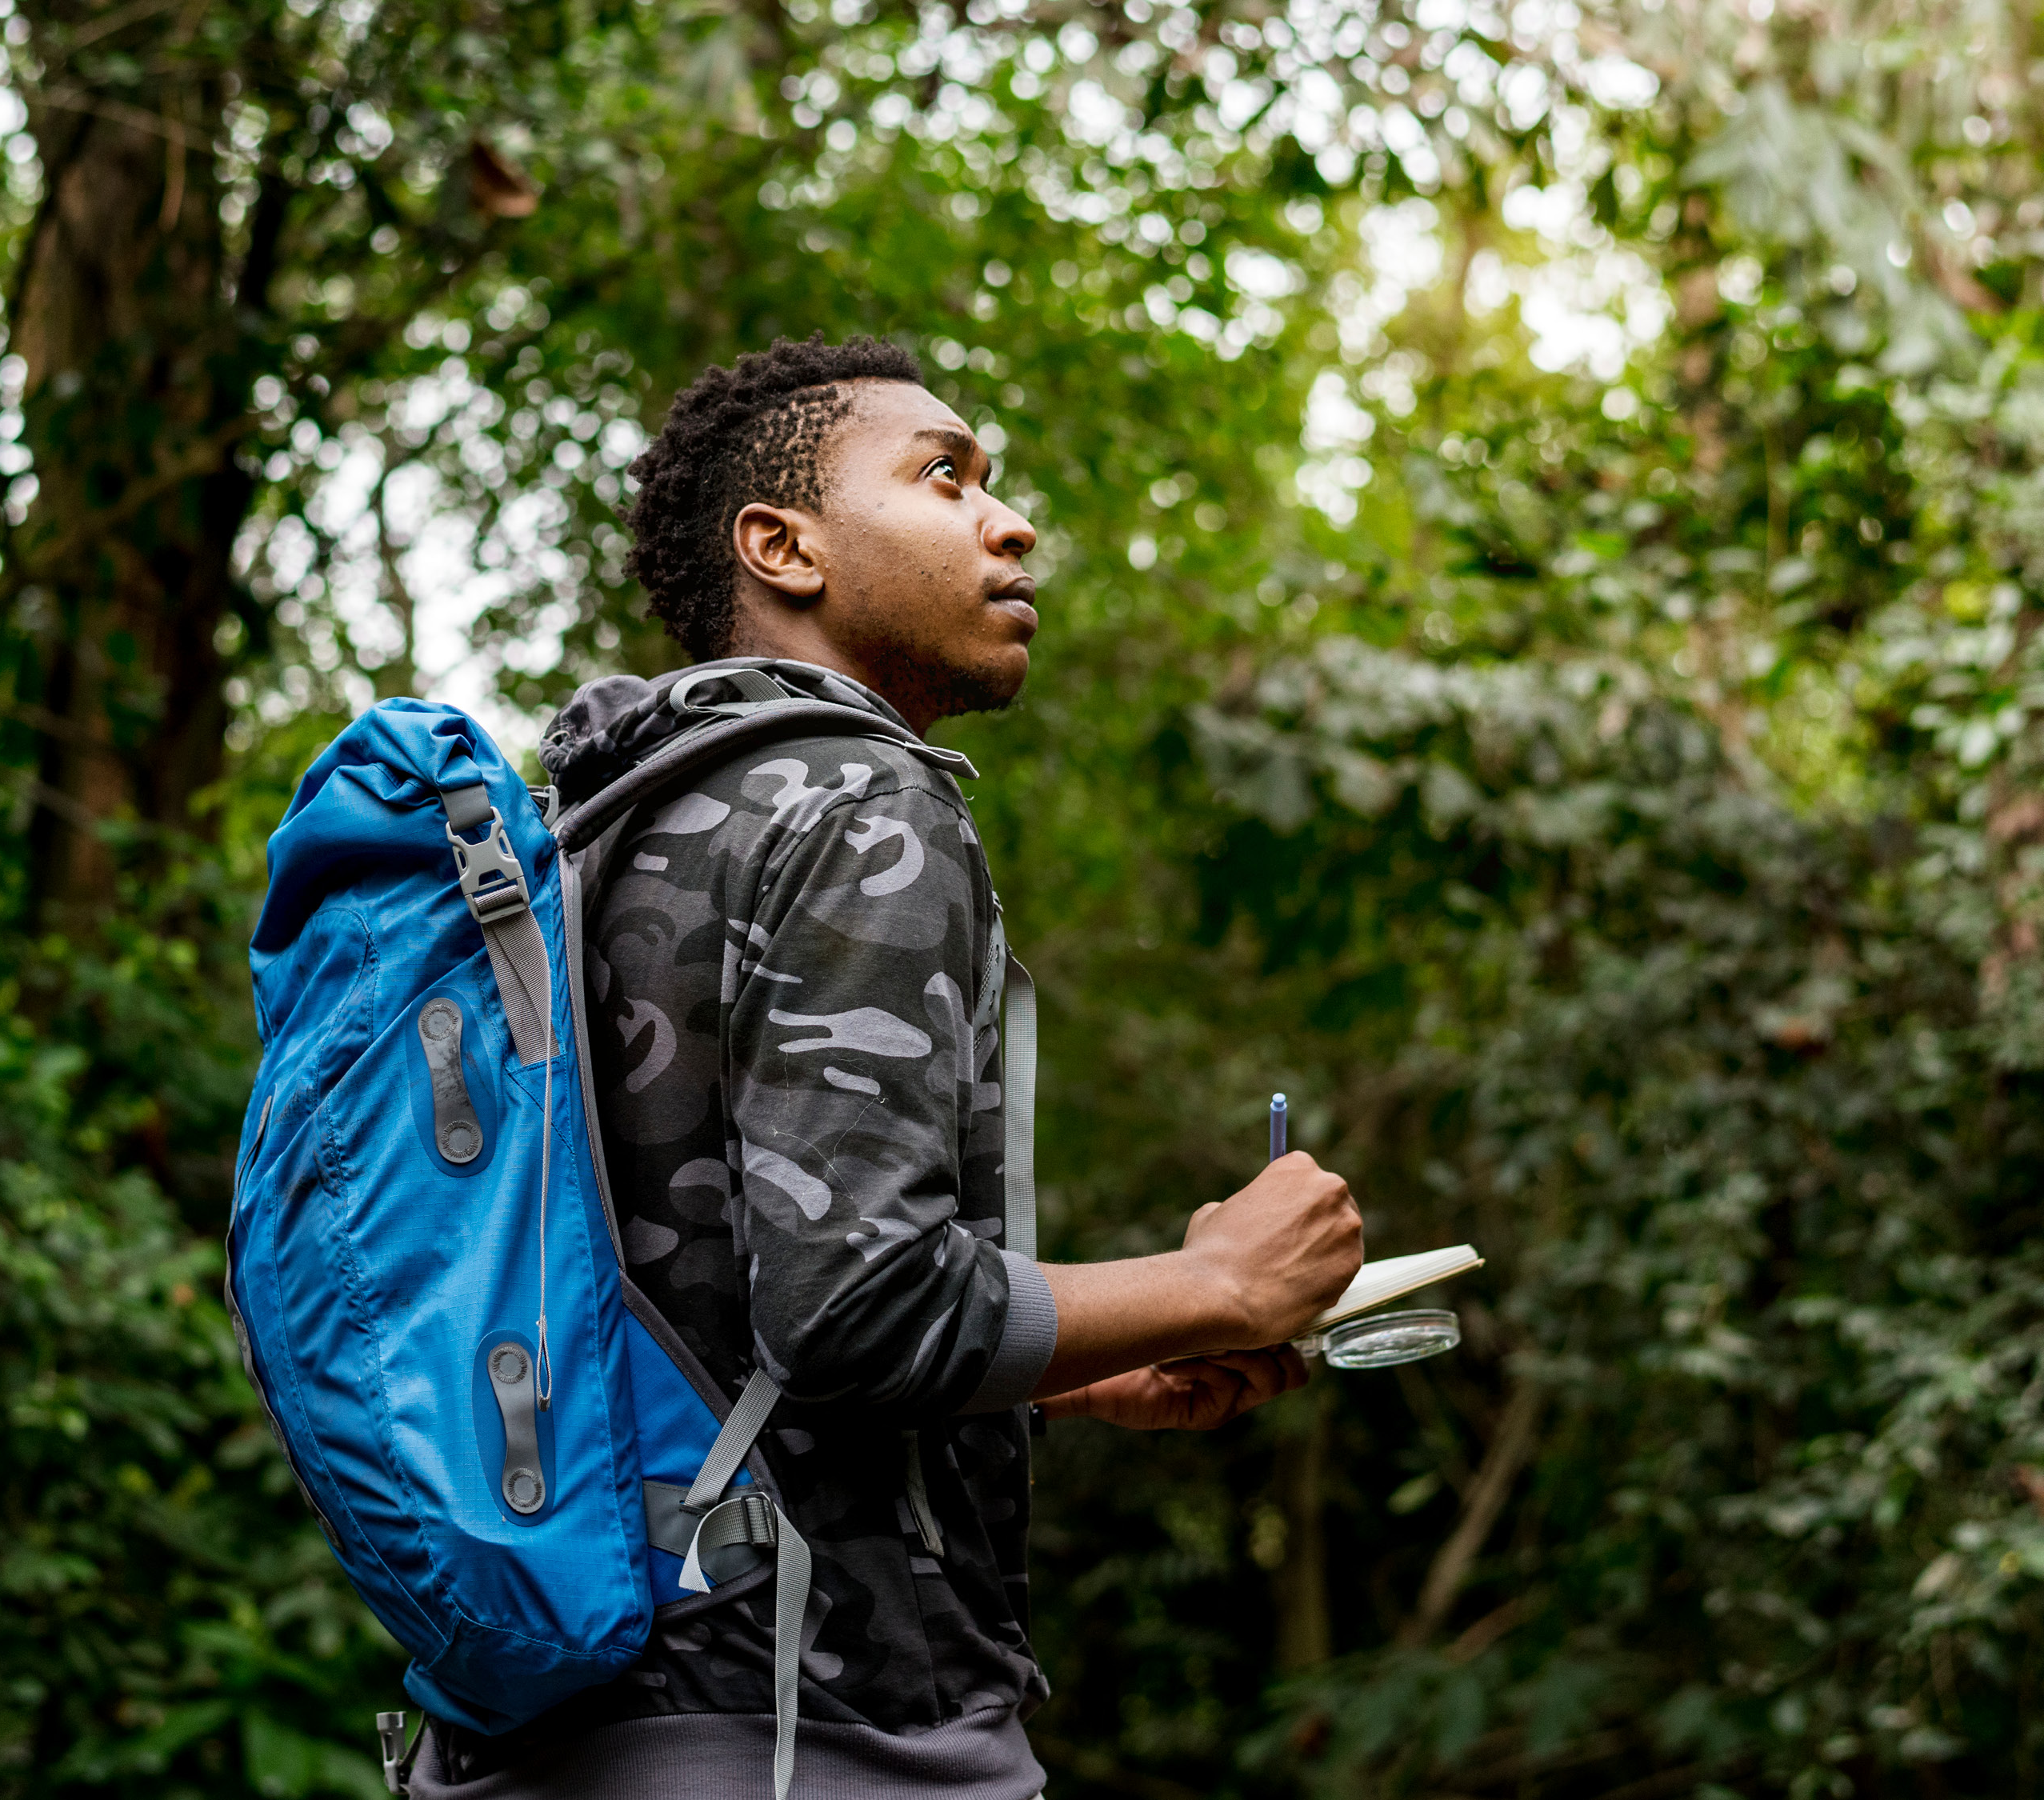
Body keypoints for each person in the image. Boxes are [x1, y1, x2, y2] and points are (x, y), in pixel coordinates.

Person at [407, 336, 1367, 1798]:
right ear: (783, 546)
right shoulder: (863, 800)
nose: (1011, 518)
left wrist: (1079, 1369)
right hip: (803, 1732)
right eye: (946, 476)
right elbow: (854, 1306)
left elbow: (695, 1301)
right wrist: (1220, 1282)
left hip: (541, 1725)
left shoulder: (584, 839)